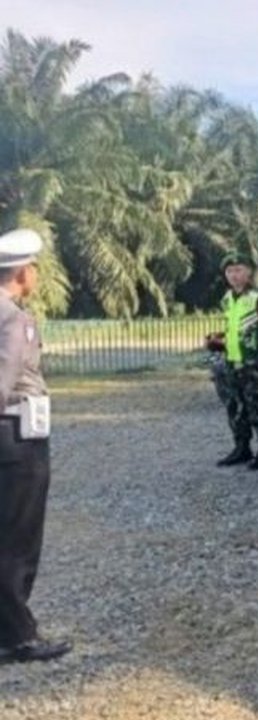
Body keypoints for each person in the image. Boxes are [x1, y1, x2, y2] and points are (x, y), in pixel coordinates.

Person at [0, 228, 71, 664]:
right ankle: (18, 636)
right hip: (16, 441)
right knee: (17, 540)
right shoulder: (13, 319)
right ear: (23, 273)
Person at [213, 253, 258, 470]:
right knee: (236, 407)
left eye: (239, 269)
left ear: (249, 272)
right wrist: (219, 343)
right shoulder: (226, 299)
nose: (234, 275)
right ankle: (242, 447)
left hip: (254, 364)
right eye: (229, 271)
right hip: (232, 362)